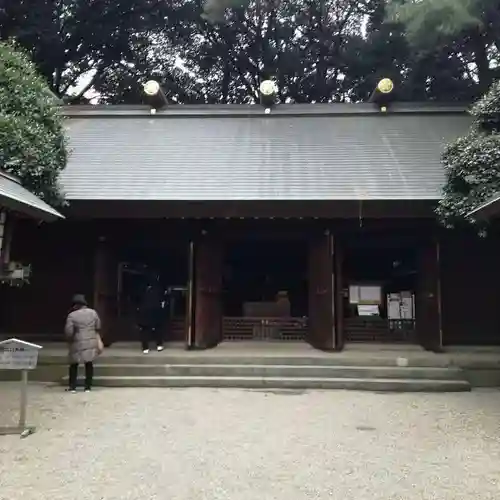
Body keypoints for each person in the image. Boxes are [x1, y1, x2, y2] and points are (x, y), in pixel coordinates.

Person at [64, 294, 102, 393]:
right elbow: (98, 325)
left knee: (74, 364)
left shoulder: (72, 315)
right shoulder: (93, 313)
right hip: (91, 340)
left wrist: (69, 339)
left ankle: (73, 387)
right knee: (89, 364)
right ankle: (88, 387)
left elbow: (69, 331)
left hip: (77, 342)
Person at [137, 280, 165, 354]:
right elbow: (162, 300)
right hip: (155, 310)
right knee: (157, 327)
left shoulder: (141, 289)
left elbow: (137, 300)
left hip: (144, 310)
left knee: (145, 329)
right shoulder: (158, 289)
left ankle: (145, 347)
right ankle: (159, 345)